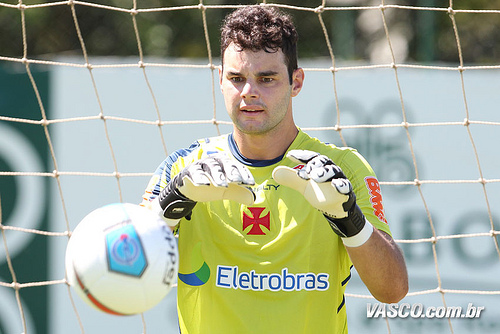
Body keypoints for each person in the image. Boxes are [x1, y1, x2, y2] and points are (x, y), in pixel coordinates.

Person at [141, 5, 408, 333]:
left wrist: (348, 218)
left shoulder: (343, 169)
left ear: (296, 82)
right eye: (236, 78)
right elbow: (128, 264)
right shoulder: (184, 166)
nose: (249, 92)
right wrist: (168, 205)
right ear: (220, 82)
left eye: (266, 78)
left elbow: (392, 290)